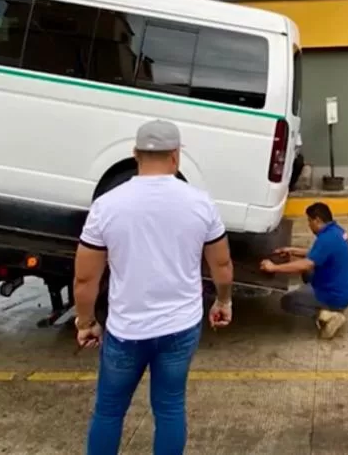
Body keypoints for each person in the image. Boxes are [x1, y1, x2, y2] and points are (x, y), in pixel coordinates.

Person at [73, 119, 234, 455]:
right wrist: (223, 302)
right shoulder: (200, 203)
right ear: (176, 157)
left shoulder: (106, 205)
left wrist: (86, 322)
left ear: (136, 155)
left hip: (126, 329)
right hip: (180, 327)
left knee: (109, 411)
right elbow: (221, 266)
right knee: (170, 408)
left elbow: (86, 279)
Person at [260, 202, 348, 339]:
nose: (309, 225)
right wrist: (291, 250)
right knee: (306, 271)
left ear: (317, 220)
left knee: (288, 301)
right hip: (343, 289)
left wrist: (274, 267)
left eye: (309, 221)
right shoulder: (336, 231)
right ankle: (322, 303)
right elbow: (318, 253)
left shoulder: (326, 239)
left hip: (333, 294)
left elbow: (306, 264)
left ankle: (327, 315)